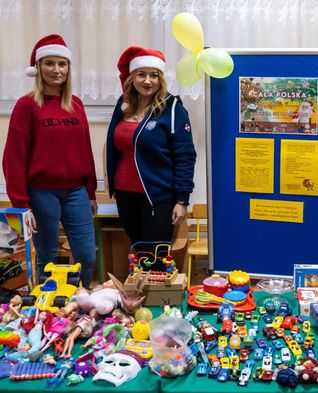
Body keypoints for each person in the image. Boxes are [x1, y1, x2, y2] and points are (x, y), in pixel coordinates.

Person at [2, 34, 97, 288]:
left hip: (76, 192)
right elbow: (13, 158)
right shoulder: (26, 106)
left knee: (87, 256)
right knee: (46, 258)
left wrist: (90, 192)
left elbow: (85, 149)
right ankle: (48, 305)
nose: (56, 70)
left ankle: (79, 300)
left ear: (68, 68)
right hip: (41, 194)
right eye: (49, 63)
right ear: (38, 68)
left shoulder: (76, 104)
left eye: (62, 64)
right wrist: (21, 204)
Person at [106, 46, 196, 250]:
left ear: (160, 79)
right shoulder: (123, 104)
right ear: (132, 78)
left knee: (155, 257)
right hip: (125, 194)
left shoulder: (172, 108)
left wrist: (182, 200)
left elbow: (185, 156)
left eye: (153, 75)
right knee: (140, 253)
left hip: (158, 197)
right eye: (141, 74)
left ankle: (155, 275)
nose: (147, 81)